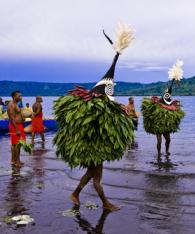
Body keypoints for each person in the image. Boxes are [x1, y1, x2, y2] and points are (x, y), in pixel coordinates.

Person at [54, 26, 135, 211]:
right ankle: (106, 203)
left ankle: (75, 194)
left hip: (94, 149)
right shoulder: (94, 112)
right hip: (94, 150)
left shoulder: (102, 109)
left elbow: (108, 111)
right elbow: (99, 122)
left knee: (91, 174)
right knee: (96, 176)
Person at [141, 60, 185, 158]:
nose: (167, 95)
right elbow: (154, 105)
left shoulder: (171, 103)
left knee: (168, 139)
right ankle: (159, 153)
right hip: (158, 125)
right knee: (159, 141)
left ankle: (167, 151)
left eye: (168, 94)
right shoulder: (159, 101)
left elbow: (174, 107)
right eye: (166, 94)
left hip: (165, 126)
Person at [7, 91, 26, 167]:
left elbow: (17, 114)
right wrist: (17, 129)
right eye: (19, 96)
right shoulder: (11, 105)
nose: (20, 97)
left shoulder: (16, 104)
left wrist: (22, 118)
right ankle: (16, 161)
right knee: (17, 144)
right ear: (14, 96)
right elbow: (12, 118)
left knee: (17, 144)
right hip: (15, 126)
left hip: (19, 125)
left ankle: (15, 160)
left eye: (21, 96)